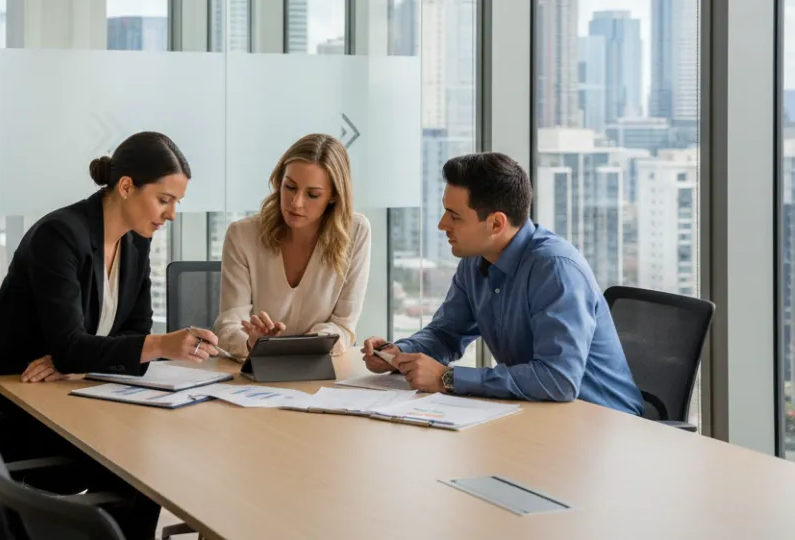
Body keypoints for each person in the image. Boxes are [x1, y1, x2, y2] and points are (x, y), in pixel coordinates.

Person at [0, 131, 217, 539]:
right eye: (164, 199)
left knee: (143, 457)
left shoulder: (136, 243)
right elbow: (89, 345)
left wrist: (75, 357)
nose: (172, 214)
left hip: (57, 392)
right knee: (138, 464)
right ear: (126, 186)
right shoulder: (60, 235)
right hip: (0, 406)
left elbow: (130, 330)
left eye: (178, 202)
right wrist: (157, 345)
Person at [361, 152, 643, 415]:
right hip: (538, 415)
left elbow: (558, 380)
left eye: (454, 216)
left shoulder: (555, 269)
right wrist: (399, 352)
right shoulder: (475, 261)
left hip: (602, 423)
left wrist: (447, 378)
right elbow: (446, 334)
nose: (442, 224)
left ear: (496, 223)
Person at [214, 133, 371, 361]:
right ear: (279, 182)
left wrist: (307, 345)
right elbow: (229, 325)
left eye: (312, 194)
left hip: (316, 368)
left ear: (334, 196)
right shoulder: (242, 235)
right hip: (252, 371)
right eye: (290, 187)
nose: (296, 203)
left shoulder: (355, 232)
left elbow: (344, 326)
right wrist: (250, 342)